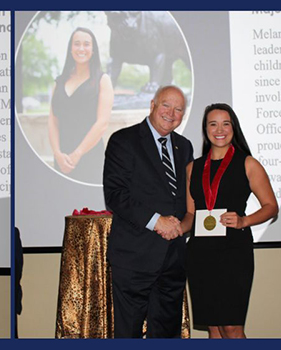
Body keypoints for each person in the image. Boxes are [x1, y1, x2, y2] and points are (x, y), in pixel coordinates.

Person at [180, 103, 278, 338]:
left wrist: (244, 221)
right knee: (214, 329)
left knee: (232, 329)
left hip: (234, 253)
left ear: (233, 127)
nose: (219, 129)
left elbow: (271, 207)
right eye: (213, 124)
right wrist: (176, 228)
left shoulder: (248, 163)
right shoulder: (193, 168)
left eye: (226, 123)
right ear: (205, 129)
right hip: (200, 254)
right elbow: (191, 214)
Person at [103, 85, 193, 338]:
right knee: (128, 333)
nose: (171, 113)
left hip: (173, 259)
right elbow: (116, 195)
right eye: (166, 105)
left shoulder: (184, 146)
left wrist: (183, 225)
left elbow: (186, 200)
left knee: (167, 334)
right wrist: (156, 222)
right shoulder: (123, 140)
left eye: (179, 109)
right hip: (134, 258)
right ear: (152, 104)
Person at [48, 27, 113, 184]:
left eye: (86, 44)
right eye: (76, 44)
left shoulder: (102, 80)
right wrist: (57, 154)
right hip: (62, 159)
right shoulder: (59, 82)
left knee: (90, 207)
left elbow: (102, 124)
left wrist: (77, 154)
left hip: (90, 157)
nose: (81, 48)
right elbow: (52, 120)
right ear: (70, 49)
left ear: (93, 50)